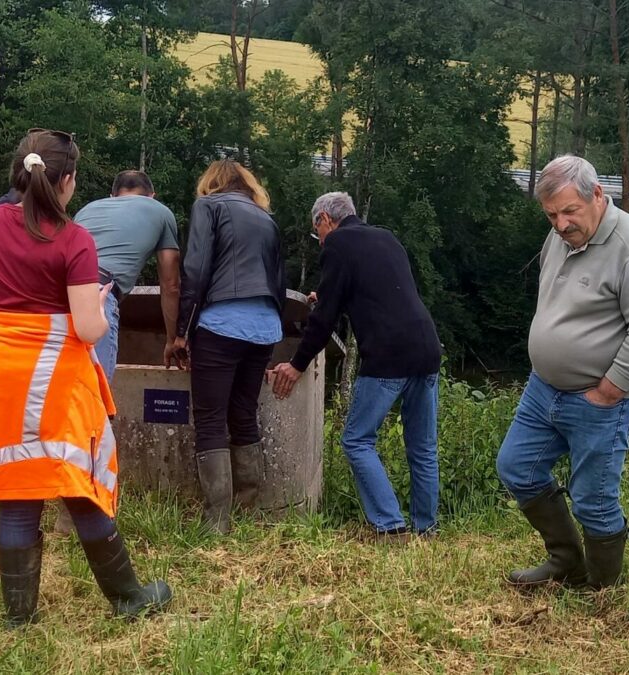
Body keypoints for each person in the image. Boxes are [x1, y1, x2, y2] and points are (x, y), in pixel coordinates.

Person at [0, 129, 172, 627]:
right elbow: (88, 327)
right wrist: (105, 310)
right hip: (57, 382)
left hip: (1, 372)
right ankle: (128, 597)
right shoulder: (73, 240)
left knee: (19, 488)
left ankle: (19, 618)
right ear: (66, 181)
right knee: (78, 481)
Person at [496, 155, 629, 589]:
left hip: (600, 398)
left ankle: (602, 588)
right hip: (543, 390)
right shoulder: (559, 237)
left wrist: (610, 390)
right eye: (551, 214)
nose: (560, 224)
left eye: (569, 211)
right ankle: (566, 562)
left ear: (597, 194)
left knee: (593, 499)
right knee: (517, 466)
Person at [268, 192, 442, 540]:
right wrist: (328, 295)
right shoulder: (386, 237)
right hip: (426, 347)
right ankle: (427, 529)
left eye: (316, 231)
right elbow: (377, 293)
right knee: (422, 447)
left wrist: (297, 364)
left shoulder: (338, 245)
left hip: (387, 356)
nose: (318, 240)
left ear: (325, 221)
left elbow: (325, 319)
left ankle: (390, 527)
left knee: (357, 441)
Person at [174, 159, 286, 534]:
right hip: (265, 325)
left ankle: (216, 521)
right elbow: (279, 280)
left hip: (221, 323)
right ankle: (247, 506)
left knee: (209, 418)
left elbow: (195, 270)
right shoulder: (265, 217)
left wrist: (180, 332)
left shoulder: (209, 206)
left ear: (212, 183)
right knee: (243, 413)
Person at [73, 170, 184, 382]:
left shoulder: (87, 209)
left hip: (57, 297)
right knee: (96, 397)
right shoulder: (161, 212)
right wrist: (172, 339)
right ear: (152, 195)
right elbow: (171, 285)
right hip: (97, 297)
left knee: (63, 394)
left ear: (112, 196)